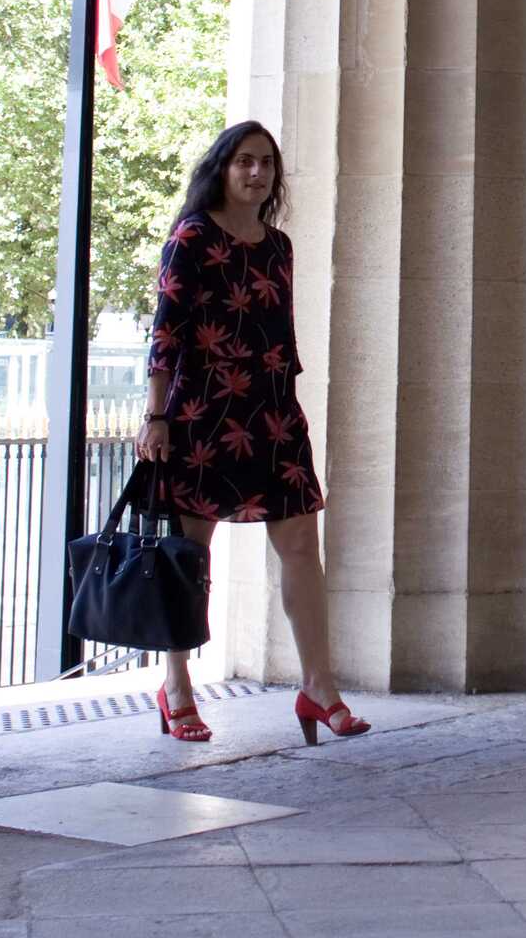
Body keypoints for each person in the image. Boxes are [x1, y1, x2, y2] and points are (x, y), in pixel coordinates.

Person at [135, 120, 369, 745]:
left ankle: (319, 688)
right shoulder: (192, 236)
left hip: (271, 412)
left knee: (300, 548)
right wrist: (156, 416)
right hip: (202, 413)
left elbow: (280, 333)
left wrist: (290, 406)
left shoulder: (278, 245)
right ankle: (177, 685)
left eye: (266, 162)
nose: (256, 172)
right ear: (222, 167)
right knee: (193, 553)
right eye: (244, 161)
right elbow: (167, 330)